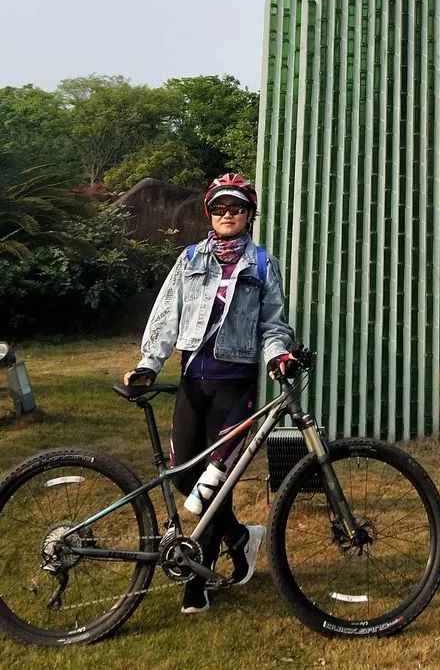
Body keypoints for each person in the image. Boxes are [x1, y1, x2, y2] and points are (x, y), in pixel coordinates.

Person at [123, 172, 297, 615]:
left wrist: (278, 354)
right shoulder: (190, 258)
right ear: (209, 214)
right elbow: (166, 313)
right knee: (184, 475)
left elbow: (273, 323)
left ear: (249, 215)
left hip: (236, 386)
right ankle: (240, 537)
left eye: (236, 207)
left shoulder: (261, 264)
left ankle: (197, 580)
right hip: (192, 381)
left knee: (211, 485)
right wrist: (149, 363)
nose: (227, 214)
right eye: (219, 207)